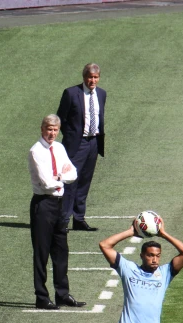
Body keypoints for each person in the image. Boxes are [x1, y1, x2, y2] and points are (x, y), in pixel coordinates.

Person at [29, 114, 87, 310]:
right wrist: (61, 178)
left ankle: (62, 294)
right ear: (42, 129)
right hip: (43, 204)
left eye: (55, 130)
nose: (52, 133)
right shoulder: (36, 151)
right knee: (41, 253)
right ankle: (41, 297)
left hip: (59, 203)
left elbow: (73, 173)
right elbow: (46, 183)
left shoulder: (59, 148)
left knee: (61, 251)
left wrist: (60, 176)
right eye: (49, 129)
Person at [56, 63, 106, 232]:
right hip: (76, 144)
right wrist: (71, 136)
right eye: (90, 77)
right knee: (70, 180)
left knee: (85, 181)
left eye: (96, 77)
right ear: (84, 77)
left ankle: (79, 219)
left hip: (93, 143)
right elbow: (60, 118)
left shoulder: (101, 94)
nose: (93, 80)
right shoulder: (71, 93)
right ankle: (63, 220)